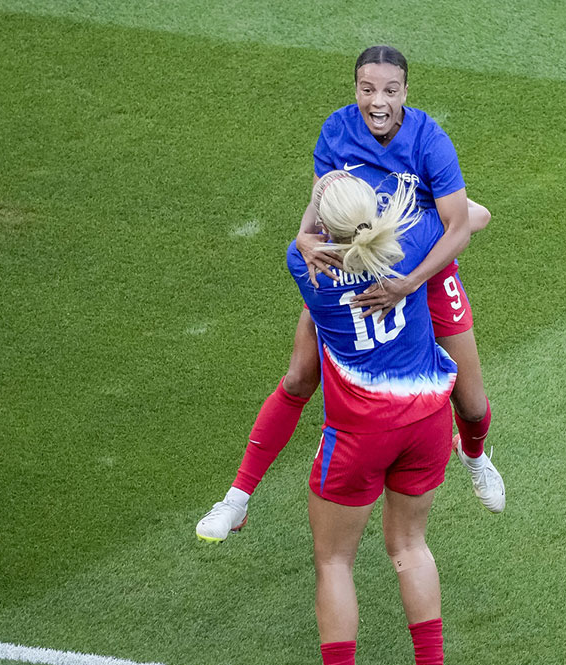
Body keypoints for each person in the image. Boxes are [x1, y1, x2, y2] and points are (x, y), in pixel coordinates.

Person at [196, 45, 503, 543]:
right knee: (298, 378)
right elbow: (322, 199)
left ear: (405, 91)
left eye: (389, 90)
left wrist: (409, 282)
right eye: (367, 89)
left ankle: (474, 456)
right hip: (353, 269)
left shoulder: (430, 140)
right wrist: (303, 235)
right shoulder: (337, 130)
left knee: (470, 402)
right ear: (355, 88)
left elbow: (461, 226)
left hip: (422, 271)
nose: (377, 101)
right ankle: (236, 499)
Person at [297, 170, 453, 665]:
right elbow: (475, 218)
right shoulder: (413, 238)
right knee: (410, 545)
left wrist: (311, 216)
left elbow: (307, 241)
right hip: (428, 419)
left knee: (334, 561)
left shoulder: (306, 268)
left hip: (359, 433)